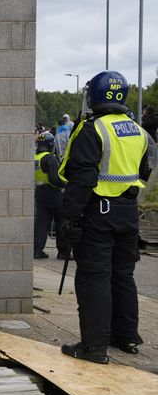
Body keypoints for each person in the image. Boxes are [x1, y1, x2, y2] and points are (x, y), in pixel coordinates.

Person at [57, 71, 152, 364]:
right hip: (127, 212)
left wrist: (69, 217)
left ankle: (94, 347)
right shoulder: (137, 129)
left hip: (98, 212)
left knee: (94, 278)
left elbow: (82, 177)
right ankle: (126, 338)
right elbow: (145, 171)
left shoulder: (92, 129)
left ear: (95, 95)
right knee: (123, 276)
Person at [33, 131, 68, 259]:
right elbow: (54, 178)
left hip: (40, 193)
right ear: (50, 144)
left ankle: (37, 250)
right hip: (53, 194)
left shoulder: (35, 157)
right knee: (62, 221)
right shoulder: (50, 158)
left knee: (41, 222)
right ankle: (63, 252)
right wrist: (66, 184)